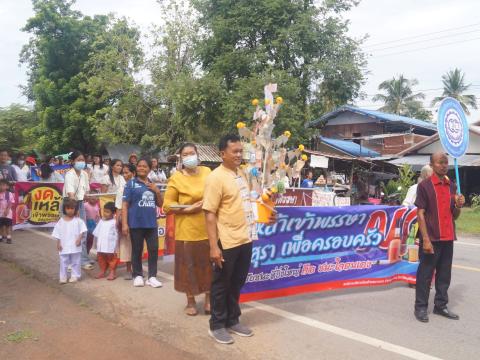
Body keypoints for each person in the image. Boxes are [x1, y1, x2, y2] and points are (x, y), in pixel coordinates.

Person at [203, 134, 276, 344]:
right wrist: (213, 248)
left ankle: (232, 320)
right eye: (234, 152)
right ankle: (217, 325)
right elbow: (209, 213)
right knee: (221, 283)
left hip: (245, 238)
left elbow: (248, 204)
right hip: (225, 240)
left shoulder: (241, 174)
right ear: (222, 154)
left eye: (240, 151)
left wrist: (267, 215)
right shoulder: (215, 177)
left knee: (237, 282)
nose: (238, 155)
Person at [414, 152, 465, 323]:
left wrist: (458, 206)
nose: (444, 165)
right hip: (431, 237)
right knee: (425, 274)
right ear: (432, 164)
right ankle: (420, 307)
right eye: (440, 162)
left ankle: (440, 305)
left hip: (448, 236)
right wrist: (426, 239)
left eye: (446, 162)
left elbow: (454, 215)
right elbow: (420, 213)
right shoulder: (425, 186)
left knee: (444, 275)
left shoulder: (452, 186)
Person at [163, 143, 212, 316]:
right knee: (188, 267)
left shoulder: (207, 172)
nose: (189, 156)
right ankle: (190, 300)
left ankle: (208, 299)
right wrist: (188, 209)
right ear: (181, 158)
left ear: (198, 155)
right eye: (185, 154)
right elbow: (167, 206)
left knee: (209, 266)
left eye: (192, 153)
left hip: (208, 228)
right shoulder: (176, 178)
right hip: (187, 231)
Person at [122, 158, 163, 288]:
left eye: (145, 166)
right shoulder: (130, 184)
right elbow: (124, 205)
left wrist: (157, 191)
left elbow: (160, 204)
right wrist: (124, 224)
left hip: (151, 224)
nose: (141, 168)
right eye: (139, 166)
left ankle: (152, 277)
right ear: (136, 168)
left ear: (149, 169)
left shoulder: (152, 184)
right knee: (137, 250)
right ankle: (138, 275)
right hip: (135, 223)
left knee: (153, 250)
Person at [63, 150, 93, 270]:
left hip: (80, 203)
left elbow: (86, 191)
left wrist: (88, 196)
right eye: (78, 160)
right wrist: (73, 210)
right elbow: (70, 193)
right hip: (70, 204)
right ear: (72, 161)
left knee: (83, 232)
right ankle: (70, 261)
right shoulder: (69, 174)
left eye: (83, 160)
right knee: (71, 232)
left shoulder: (85, 174)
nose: (81, 162)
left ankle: (83, 260)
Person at [52, 198, 88, 284]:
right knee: (63, 261)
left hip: (75, 245)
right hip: (64, 245)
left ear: (76, 210)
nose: (70, 210)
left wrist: (79, 238)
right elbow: (57, 233)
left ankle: (75, 276)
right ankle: (63, 277)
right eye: (68, 208)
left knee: (76, 261)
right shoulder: (61, 221)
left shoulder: (78, 221)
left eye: (72, 208)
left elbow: (82, 230)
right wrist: (58, 243)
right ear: (64, 209)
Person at [116, 163, 135, 279]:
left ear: (133, 173)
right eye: (123, 173)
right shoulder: (121, 188)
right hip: (126, 219)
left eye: (127, 172)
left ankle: (137, 269)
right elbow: (119, 206)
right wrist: (120, 221)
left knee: (137, 245)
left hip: (137, 219)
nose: (125, 175)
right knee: (127, 245)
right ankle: (129, 270)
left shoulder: (139, 185)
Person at [93, 201, 119, 280]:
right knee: (101, 258)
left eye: (107, 212)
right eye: (104, 211)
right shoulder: (101, 221)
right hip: (101, 245)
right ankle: (102, 271)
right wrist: (96, 244)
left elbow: (117, 235)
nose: (105, 213)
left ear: (114, 213)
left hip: (110, 246)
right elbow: (96, 233)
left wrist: (116, 246)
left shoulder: (114, 222)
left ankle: (112, 272)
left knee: (111, 259)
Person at [0, 179, 14, 244]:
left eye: (3, 185)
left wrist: (7, 210)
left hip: (8, 214)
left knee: (8, 226)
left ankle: (9, 237)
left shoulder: (9, 194)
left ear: (7, 187)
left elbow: (11, 203)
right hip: (0, 213)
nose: (1, 186)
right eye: (0, 185)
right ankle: (1, 237)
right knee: (1, 226)